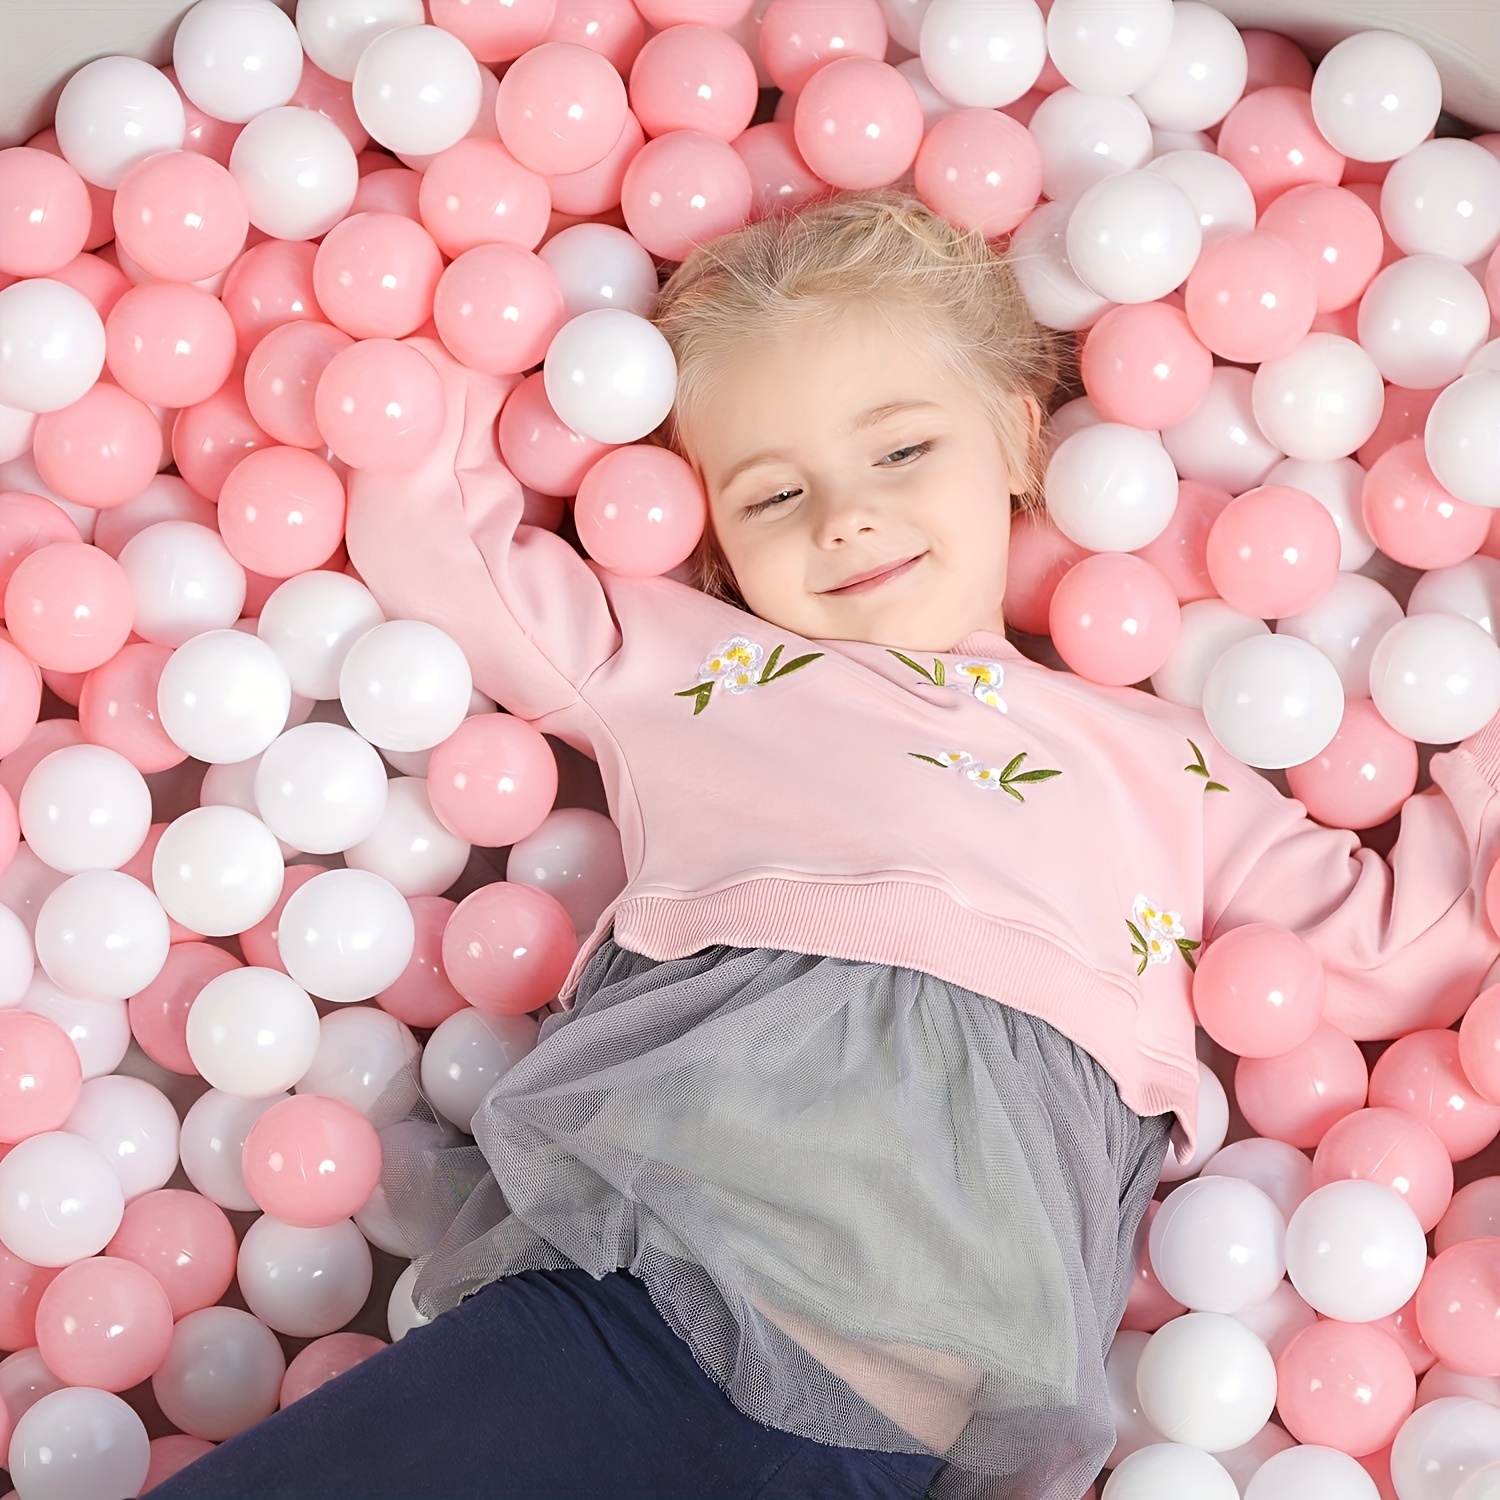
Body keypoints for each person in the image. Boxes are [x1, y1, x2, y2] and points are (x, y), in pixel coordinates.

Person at [149, 189, 1500, 1500]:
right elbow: (450, 549)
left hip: (872, 1438)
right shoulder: (700, 669)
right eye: (772, 493)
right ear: (717, 543)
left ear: (1020, 442)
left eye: (903, 451)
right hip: (636, 1319)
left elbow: (1394, 946)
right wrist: (451, 288)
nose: (845, 516)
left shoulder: (1156, 762)